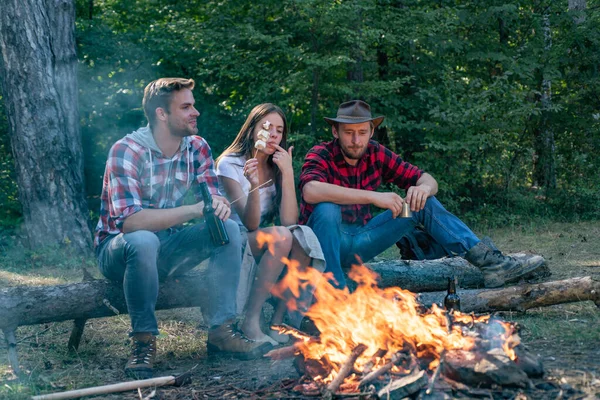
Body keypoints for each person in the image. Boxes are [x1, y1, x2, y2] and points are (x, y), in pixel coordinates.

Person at [94, 78, 271, 379]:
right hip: (119, 250)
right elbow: (131, 222)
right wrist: (193, 210)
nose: (196, 112)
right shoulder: (126, 150)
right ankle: (143, 343)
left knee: (227, 227)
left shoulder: (196, 147)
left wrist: (217, 204)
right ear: (161, 114)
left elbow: (212, 193)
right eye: (186, 106)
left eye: (193, 105)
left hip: (169, 246)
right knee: (143, 241)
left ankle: (221, 330)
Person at [299, 100, 546, 289]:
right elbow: (310, 190)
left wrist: (423, 188)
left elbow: (428, 179)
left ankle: (492, 264)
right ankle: (333, 294)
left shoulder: (376, 152)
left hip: (364, 239)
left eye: (362, 132)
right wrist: (374, 197)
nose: (355, 140)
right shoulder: (320, 153)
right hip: (325, 244)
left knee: (421, 203)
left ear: (371, 132)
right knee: (326, 208)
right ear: (335, 132)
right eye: (348, 132)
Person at [216, 103, 320, 345]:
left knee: (303, 237)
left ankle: (278, 321)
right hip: (232, 241)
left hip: (261, 238)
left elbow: (289, 221)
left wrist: (287, 173)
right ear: (252, 129)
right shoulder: (229, 164)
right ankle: (250, 320)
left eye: (279, 130)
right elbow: (250, 223)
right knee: (283, 237)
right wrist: (252, 184)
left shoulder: (275, 166)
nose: (273, 134)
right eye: (267, 127)